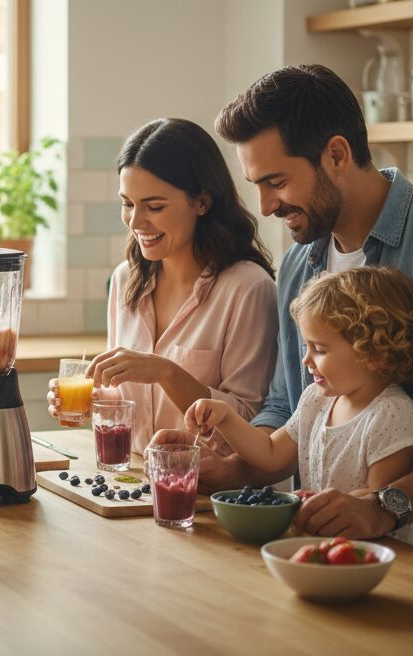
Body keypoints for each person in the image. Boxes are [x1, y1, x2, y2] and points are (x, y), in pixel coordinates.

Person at [155, 64, 413, 582]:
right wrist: (234, 470)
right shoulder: (299, 263)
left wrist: (386, 504)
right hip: (335, 562)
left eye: (277, 182)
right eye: (257, 186)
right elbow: (287, 406)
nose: (266, 206)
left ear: (337, 154)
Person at [47, 118, 278, 454]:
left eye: (154, 206)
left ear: (202, 201)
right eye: (128, 203)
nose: (136, 222)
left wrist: (167, 373)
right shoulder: (127, 280)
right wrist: (92, 399)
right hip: (135, 481)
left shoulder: (248, 288)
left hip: (210, 494)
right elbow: (129, 399)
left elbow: (248, 422)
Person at [187, 266, 413, 554]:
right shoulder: (316, 400)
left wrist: (311, 501)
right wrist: (226, 417)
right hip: (331, 547)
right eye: (306, 346)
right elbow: (271, 454)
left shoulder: (393, 416)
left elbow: (374, 503)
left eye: (320, 349)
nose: (306, 359)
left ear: (375, 355)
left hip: (388, 559)